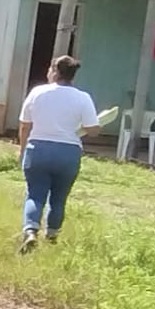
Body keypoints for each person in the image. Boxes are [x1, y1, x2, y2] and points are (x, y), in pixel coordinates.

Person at [17, 55, 101, 254]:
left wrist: (21, 150)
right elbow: (93, 129)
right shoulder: (83, 97)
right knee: (59, 198)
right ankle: (52, 236)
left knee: (35, 195)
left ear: (55, 71)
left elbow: (24, 125)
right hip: (68, 152)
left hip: (38, 149)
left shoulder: (37, 92)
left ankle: (30, 231)